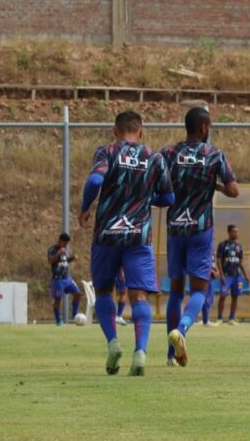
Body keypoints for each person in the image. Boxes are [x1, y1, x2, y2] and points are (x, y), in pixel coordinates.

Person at [79, 110, 174, 376]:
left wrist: (85, 207)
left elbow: (95, 179)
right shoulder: (154, 157)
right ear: (140, 131)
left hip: (107, 234)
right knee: (139, 295)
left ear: (115, 130)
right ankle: (140, 353)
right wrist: (144, 198)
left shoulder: (107, 151)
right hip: (138, 236)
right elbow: (168, 198)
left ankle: (113, 344)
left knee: (104, 291)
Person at [162, 106, 239, 367]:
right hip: (200, 229)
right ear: (204, 128)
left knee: (175, 290)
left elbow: (157, 185)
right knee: (199, 288)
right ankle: (181, 330)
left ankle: (171, 355)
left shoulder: (169, 153)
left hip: (175, 228)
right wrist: (212, 184)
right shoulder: (214, 154)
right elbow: (233, 190)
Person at [47, 233, 82, 326]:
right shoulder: (52, 249)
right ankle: (59, 321)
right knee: (58, 300)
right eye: (65, 243)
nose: (66, 245)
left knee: (78, 293)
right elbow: (50, 261)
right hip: (57, 279)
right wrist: (58, 253)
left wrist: (72, 258)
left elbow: (64, 261)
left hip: (67, 278)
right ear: (60, 241)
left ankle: (74, 314)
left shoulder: (65, 250)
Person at [216, 224, 248, 326]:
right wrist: (221, 274)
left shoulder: (239, 246)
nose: (236, 233)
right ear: (229, 232)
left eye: (237, 231)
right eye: (234, 231)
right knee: (223, 296)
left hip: (237, 276)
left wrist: (246, 275)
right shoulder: (222, 245)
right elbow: (219, 261)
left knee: (235, 297)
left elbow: (241, 262)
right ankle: (220, 318)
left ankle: (231, 318)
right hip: (226, 275)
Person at [202, 249, 218, 326]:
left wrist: (215, 271)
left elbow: (213, 264)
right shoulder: (205, 249)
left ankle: (206, 319)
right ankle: (205, 320)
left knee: (210, 299)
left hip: (211, 278)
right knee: (206, 299)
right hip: (206, 277)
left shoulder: (211, 251)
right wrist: (211, 272)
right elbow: (203, 262)